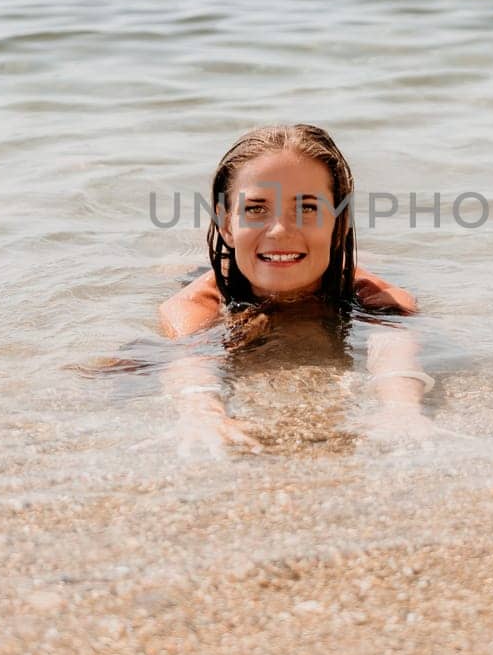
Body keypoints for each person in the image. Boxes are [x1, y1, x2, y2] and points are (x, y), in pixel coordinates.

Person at [158, 124, 437, 457]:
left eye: (307, 208)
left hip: (323, 271)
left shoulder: (377, 295)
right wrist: (200, 411)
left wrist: (401, 409)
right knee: (171, 266)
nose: (279, 230)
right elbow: (190, 360)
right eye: (256, 208)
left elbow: (394, 346)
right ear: (225, 224)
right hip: (233, 270)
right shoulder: (191, 304)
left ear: (340, 223)